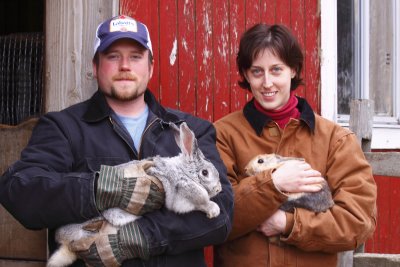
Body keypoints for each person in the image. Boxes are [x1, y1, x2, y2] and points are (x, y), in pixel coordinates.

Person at [0, 15, 233, 267]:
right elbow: (21, 192)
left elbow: (221, 215)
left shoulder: (194, 130)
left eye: (135, 56)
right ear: (95, 66)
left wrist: (138, 237)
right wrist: (100, 189)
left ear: (151, 67)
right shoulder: (63, 128)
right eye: (112, 56)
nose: (125, 65)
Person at [213, 23, 377, 267]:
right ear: (246, 75)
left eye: (276, 69)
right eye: (257, 72)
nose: (267, 82)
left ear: (293, 69)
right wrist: (274, 183)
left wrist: (288, 223)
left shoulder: (334, 139)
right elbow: (214, 215)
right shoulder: (223, 134)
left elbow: (357, 221)